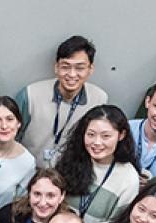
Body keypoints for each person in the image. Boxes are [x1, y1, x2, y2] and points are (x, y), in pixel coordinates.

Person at [17, 36, 109, 167]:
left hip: (71, 176)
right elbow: (12, 137)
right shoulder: (30, 94)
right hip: (29, 173)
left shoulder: (99, 99)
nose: (72, 74)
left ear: (90, 70)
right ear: (56, 67)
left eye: (80, 68)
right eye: (65, 67)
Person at [54, 105, 141, 223]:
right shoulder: (69, 159)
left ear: (121, 135)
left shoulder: (128, 179)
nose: (97, 142)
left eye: (106, 136)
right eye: (91, 134)